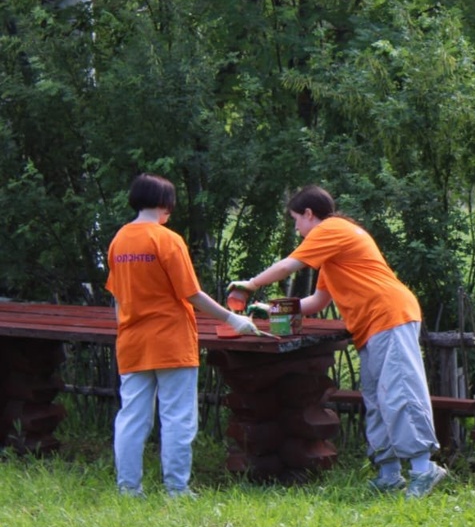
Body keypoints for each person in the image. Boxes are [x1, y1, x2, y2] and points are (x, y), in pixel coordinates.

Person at [229, 185, 446, 498]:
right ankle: (389, 475)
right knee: (376, 398)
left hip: (390, 315)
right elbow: (317, 301)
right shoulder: (330, 252)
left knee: (399, 391)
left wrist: (250, 285)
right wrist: (272, 308)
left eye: (296, 220)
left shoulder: (333, 228)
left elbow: (289, 265)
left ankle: (425, 469)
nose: (296, 228)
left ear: (309, 214)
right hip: (372, 325)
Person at [106, 173, 262, 498]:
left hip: (132, 342)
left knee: (132, 418)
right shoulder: (167, 239)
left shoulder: (119, 241)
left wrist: (128, 327)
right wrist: (233, 319)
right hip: (171, 341)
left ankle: (128, 488)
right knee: (177, 417)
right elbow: (192, 294)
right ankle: (176, 489)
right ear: (166, 205)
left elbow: (118, 299)